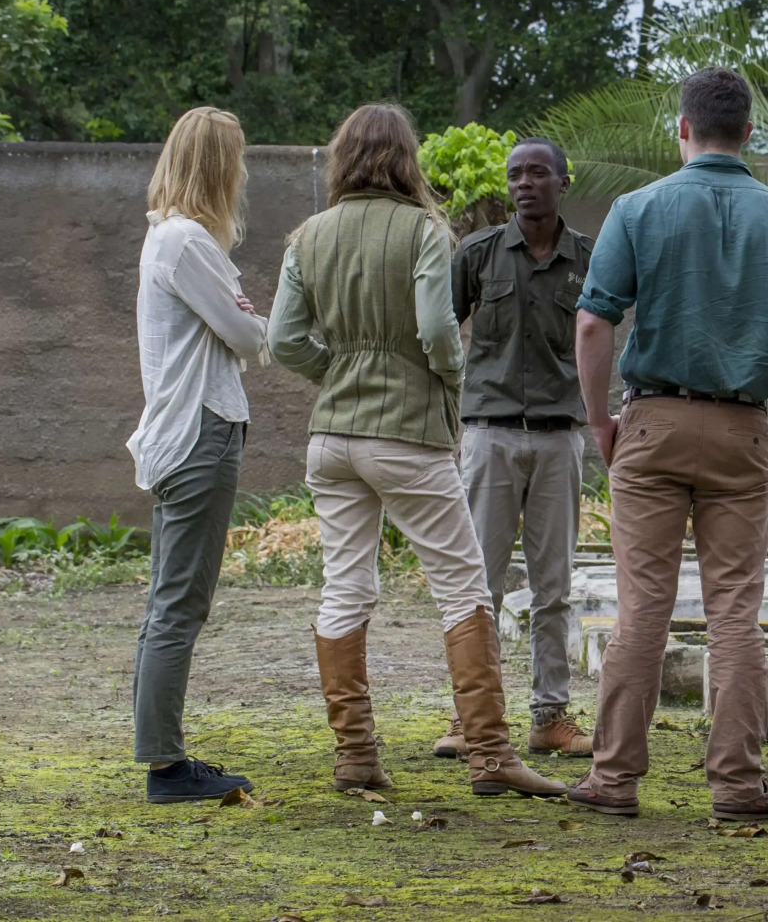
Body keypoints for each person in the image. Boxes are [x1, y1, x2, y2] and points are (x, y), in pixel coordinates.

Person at [569, 67, 768, 820]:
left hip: (652, 423)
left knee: (641, 612)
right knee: (734, 614)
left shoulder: (637, 209)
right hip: (740, 430)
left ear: (682, 129)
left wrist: (601, 421)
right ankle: (736, 783)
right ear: (749, 134)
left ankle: (614, 779)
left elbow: (595, 321)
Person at [267, 103, 564, 799]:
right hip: (405, 433)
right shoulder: (425, 229)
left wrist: (334, 372)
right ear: (407, 159)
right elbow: (437, 327)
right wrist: (448, 378)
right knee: (462, 586)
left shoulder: (308, 234)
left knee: (346, 585)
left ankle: (356, 755)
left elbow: (283, 339)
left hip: (331, 437)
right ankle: (491, 757)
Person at [431, 139, 596, 763]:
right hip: (490, 436)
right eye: (515, 175)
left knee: (554, 586)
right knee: (479, 584)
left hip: (559, 437)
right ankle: (469, 714)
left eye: (537, 172)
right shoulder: (477, 255)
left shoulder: (589, 260)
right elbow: (439, 333)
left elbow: (603, 338)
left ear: (562, 181)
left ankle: (550, 717)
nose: (525, 183)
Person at [127, 106, 268, 803]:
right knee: (179, 604)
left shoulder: (169, 238)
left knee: (171, 601)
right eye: (234, 159)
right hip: (199, 435)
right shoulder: (186, 243)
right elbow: (244, 335)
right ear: (218, 165)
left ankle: (163, 755)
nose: (240, 174)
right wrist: (285, 328)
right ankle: (164, 765)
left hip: (186, 434)